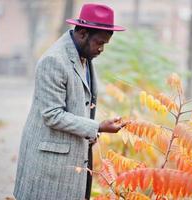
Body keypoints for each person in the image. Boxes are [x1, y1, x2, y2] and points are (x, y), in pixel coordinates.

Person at [13, 3, 126, 200]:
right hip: (48, 162)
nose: (101, 49)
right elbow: (52, 115)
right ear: (82, 33)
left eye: (105, 44)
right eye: (99, 43)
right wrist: (97, 127)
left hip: (70, 160)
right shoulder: (54, 61)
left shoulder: (84, 56)